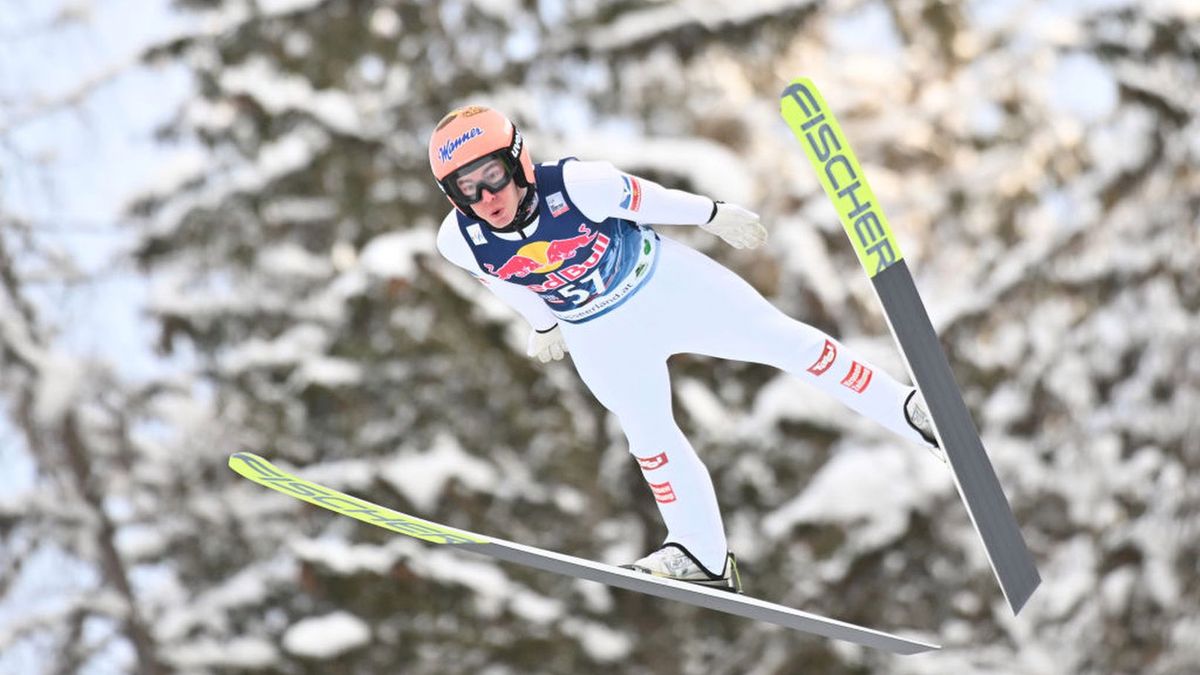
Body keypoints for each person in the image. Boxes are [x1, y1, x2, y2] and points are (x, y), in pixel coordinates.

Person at [428, 105, 939, 594]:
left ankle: (908, 409)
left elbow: (649, 199)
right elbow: (501, 280)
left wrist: (711, 214)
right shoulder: (460, 240)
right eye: (465, 188)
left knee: (785, 341)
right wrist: (541, 324)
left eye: (492, 175)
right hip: (597, 332)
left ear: (518, 161)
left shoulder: (580, 186)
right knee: (646, 435)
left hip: (665, 286)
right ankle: (700, 555)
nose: (486, 197)